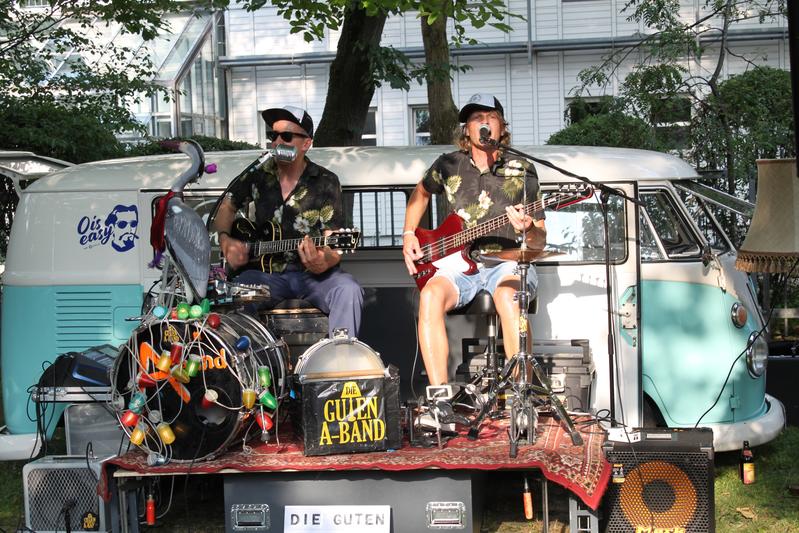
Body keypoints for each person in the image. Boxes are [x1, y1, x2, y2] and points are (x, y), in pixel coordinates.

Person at [402, 93, 546, 403]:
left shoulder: (522, 168)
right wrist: (408, 234)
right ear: (466, 129)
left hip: (506, 260)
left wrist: (529, 228)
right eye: (476, 118)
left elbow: (539, 241)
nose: (483, 123)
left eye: (490, 117)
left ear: (501, 127)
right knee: (429, 295)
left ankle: (522, 397)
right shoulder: (449, 164)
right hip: (458, 263)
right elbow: (420, 193)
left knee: (509, 296)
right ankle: (439, 400)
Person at [213, 105, 363, 337]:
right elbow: (227, 205)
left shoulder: (325, 181)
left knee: (348, 289)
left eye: (286, 136)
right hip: (265, 275)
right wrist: (225, 241)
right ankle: (256, 366)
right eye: (273, 136)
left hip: (313, 276)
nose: (277, 142)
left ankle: (339, 360)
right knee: (235, 294)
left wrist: (325, 261)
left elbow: (333, 242)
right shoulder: (257, 174)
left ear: (306, 143)